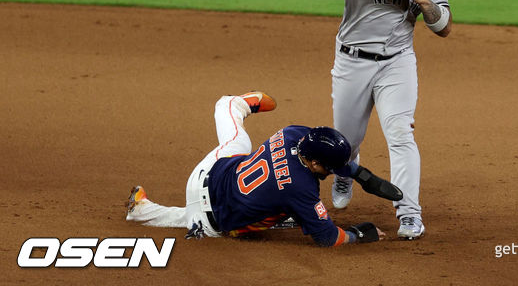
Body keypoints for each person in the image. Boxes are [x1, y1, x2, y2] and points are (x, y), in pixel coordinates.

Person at [316, 0, 452, 239]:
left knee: (400, 134)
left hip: (397, 62)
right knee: (345, 141)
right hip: (352, 62)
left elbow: (444, 27)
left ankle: (409, 214)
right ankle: (346, 170)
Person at [125, 91, 402, 246]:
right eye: (329, 168)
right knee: (295, 212)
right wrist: (360, 234)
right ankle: (231, 104)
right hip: (213, 226)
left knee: (237, 140)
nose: (331, 172)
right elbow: (328, 238)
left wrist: (365, 177)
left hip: (204, 177)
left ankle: (234, 105)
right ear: (315, 163)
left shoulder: (294, 133)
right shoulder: (301, 189)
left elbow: (324, 160)